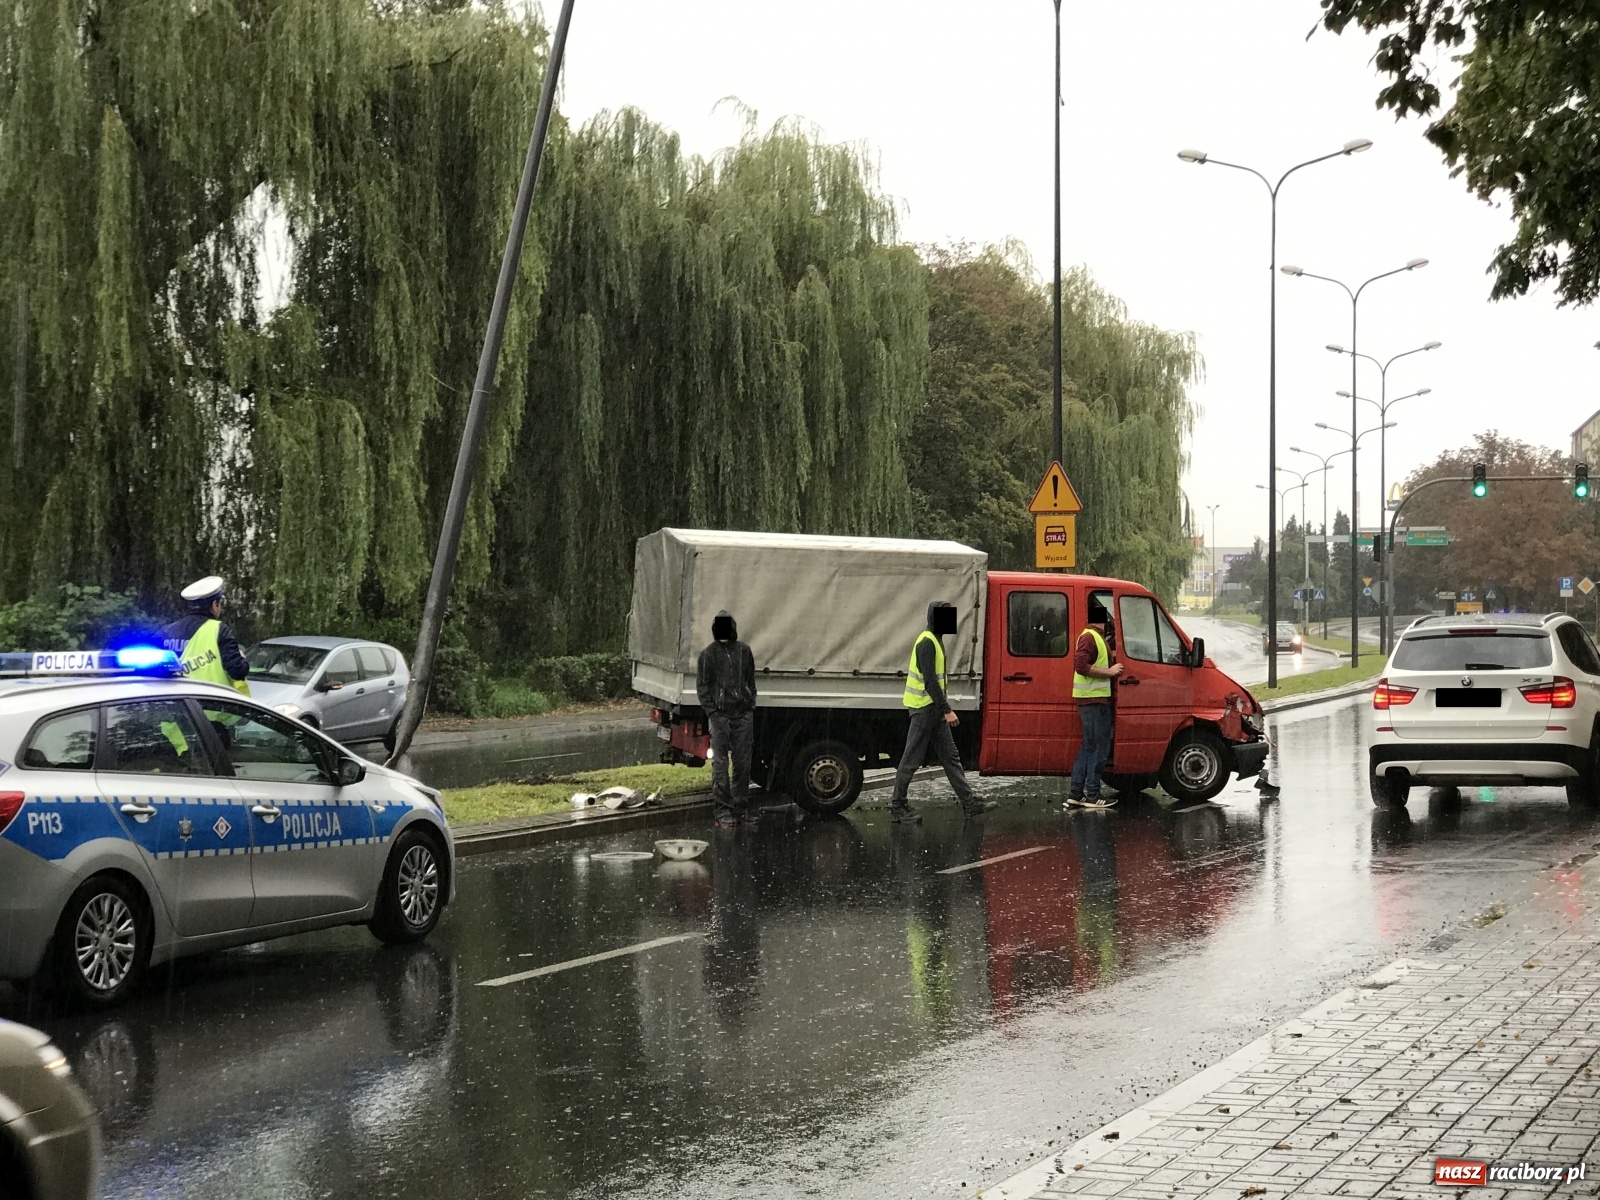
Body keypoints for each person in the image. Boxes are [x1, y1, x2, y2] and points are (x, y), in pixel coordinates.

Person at [888, 601, 997, 824]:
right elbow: (930, 682)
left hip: (932, 710)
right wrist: (947, 710)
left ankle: (969, 804)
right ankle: (897, 807)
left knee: (951, 757)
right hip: (924, 709)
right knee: (911, 759)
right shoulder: (927, 643)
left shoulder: (935, 641)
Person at [697, 610, 757, 829]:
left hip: (742, 714)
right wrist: (714, 714)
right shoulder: (708, 655)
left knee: (743, 762)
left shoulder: (744, 651)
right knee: (720, 764)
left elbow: (750, 679)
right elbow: (703, 687)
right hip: (720, 716)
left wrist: (750, 706)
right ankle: (722, 810)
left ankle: (741, 807)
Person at [1067, 601, 1124, 808]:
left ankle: (1076, 793)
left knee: (1089, 746)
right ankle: (1092, 794)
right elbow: (1081, 666)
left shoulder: (1094, 638)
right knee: (1098, 747)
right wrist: (1110, 672)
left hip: (1092, 701)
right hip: (1095, 701)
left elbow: (1096, 660)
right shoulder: (1090, 637)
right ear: (1101, 620)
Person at [160, 576, 251, 697]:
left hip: (177, 708)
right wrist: (242, 659)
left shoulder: (166, 632)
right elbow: (237, 671)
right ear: (214, 604)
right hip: (216, 708)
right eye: (220, 603)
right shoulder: (219, 630)